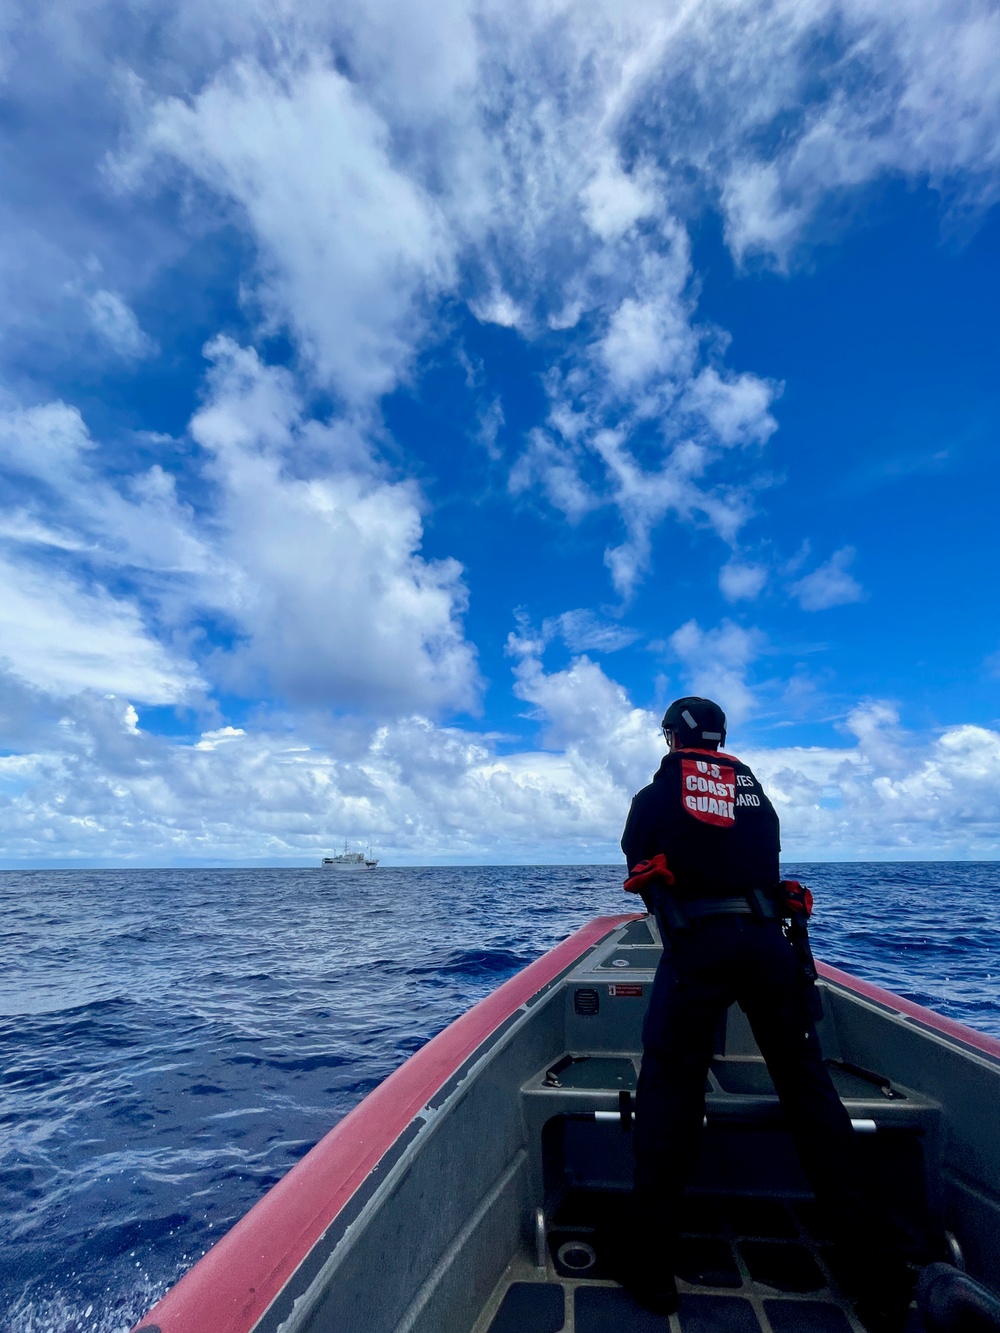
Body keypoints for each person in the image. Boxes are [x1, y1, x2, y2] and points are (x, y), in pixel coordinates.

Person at [619, 696, 911, 1328]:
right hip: (769, 948)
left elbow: (635, 853)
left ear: (671, 738)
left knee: (670, 1096)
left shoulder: (656, 795)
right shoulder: (756, 794)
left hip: (699, 951)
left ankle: (652, 1274)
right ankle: (881, 1280)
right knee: (812, 1099)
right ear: (722, 740)